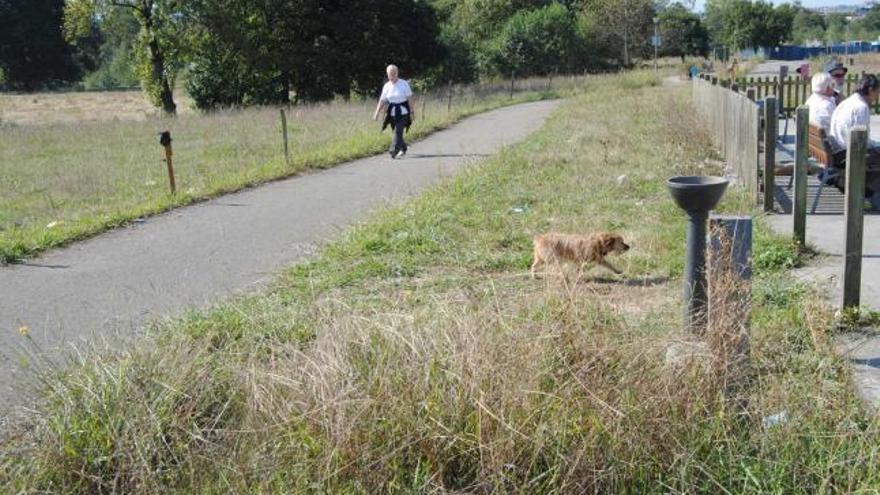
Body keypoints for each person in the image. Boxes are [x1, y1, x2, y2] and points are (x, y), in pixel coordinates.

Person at [826, 73, 880, 209]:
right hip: (848, 154)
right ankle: (873, 196)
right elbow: (862, 141)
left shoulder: (848, 101)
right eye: (877, 92)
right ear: (870, 90)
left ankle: (870, 193)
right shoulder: (861, 107)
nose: (877, 96)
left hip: (839, 150)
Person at [372, 64, 415, 159]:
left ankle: (393, 151)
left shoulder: (404, 84)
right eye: (390, 74)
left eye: (394, 73)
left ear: (397, 73)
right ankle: (403, 148)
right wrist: (377, 112)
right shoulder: (386, 86)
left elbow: (410, 99)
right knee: (397, 132)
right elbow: (382, 100)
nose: (392, 76)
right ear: (387, 75)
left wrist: (412, 112)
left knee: (398, 131)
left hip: (403, 112)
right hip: (392, 113)